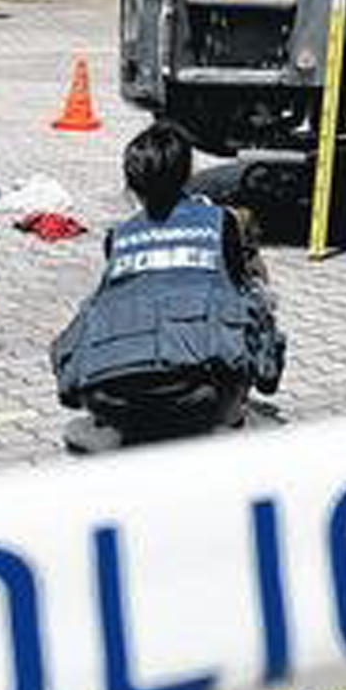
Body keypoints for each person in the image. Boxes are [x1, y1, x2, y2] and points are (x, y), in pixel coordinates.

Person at [53, 122, 285, 447]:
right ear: (186, 173)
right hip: (200, 396)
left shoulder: (118, 236)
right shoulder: (222, 223)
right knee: (253, 289)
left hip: (113, 399)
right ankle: (236, 413)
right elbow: (242, 289)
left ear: (132, 183)